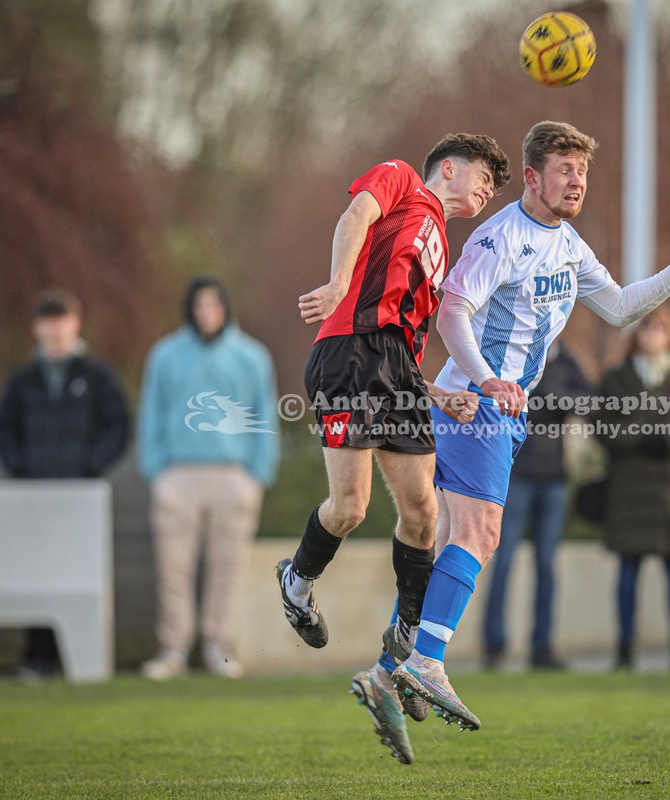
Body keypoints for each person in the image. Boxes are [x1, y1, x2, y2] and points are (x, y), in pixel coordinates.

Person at [389, 121, 670, 732]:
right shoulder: (500, 238)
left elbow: (620, 308)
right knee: (481, 532)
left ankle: (394, 665)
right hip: (475, 404)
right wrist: (486, 379)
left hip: (497, 409)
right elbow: (452, 312)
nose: (577, 181)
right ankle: (426, 662)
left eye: (583, 171)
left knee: (444, 537)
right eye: (565, 169)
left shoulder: (569, 245)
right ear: (532, 176)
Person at [274, 134, 510, 765]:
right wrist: (337, 284)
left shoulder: (442, 250)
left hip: (397, 372)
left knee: (424, 512)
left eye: (493, 187)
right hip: (347, 351)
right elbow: (355, 215)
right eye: (484, 177)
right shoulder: (402, 178)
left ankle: (406, 634)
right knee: (350, 507)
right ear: (449, 168)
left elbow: (404, 345)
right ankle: (296, 581)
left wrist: (436, 394)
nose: (487, 191)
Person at [140, 276, 279, 681]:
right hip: (178, 474)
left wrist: (257, 475)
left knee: (228, 567)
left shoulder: (251, 356)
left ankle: (218, 646)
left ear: (225, 309)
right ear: (189, 310)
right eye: (199, 305)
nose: (207, 313)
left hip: (233, 475)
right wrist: (156, 469)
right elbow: (150, 413)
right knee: (173, 568)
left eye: (213, 305)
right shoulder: (165, 355)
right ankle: (174, 649)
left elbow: (265, 415)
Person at [0, 289, 131, 679]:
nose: (55, 331)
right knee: (35, 575)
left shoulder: (97, 377)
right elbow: (4, 430)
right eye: (48, 323)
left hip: (80, 500)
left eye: (62, 322)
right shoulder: (22, 381)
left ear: (76, 325)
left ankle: (83, 658)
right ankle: (38, 657)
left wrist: (91, 466)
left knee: (81, 576)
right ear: (36, 329)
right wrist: (20, 469)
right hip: (34, 500)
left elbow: (119, 426)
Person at [594, 307, 670, 671]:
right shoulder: (616, 381)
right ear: (636, 335)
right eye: (646, 327)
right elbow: (601, 427)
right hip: (630, 489)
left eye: (660, 328)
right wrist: (639, 436)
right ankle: (624, 651)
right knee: (628, 572)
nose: (652, 334)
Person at [481, 343, 589, 670]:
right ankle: (494, 644)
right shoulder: (518, 351)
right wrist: (552, 401)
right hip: (515, 475)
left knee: (546, 566)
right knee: (503, 561)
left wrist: (547, 396)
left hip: (554, 478)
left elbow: (588, 402)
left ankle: (542, 647)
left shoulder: (568, 362)